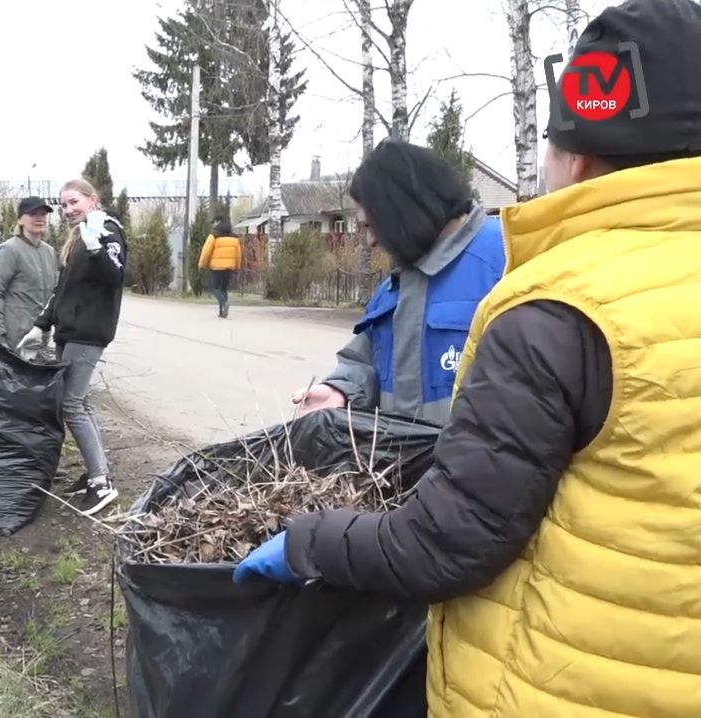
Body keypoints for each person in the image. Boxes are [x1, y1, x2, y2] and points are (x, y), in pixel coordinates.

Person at [235, 2, 701, 716]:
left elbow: (455, 539)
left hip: (549, 655)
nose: (366, 239)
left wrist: (308, 541)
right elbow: (370, 338)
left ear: (576, 153)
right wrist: (342, 387)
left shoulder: (530, 279)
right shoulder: (411, 274)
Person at [292, 139, 506, 425]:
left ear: (402, 209)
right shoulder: (394, 288)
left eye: (370, 225)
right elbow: (363, 360)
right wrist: (340, 390)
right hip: (408, 467)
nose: (370, 241)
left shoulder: (505, 259)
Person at [17, 178, 126, 516]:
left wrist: (96, 248)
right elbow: (63, 290)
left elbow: (116, 276)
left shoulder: (107, 230)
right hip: (69, 330)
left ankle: (101, 483)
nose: (68, 210)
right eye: (64, 205)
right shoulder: (79, 236)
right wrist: (42, 324)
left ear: (92, 200)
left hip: (88, 331)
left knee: (71, 405)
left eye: (74, 202)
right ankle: (99, 471)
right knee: (82, 403)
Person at [0, 196, 59, 350]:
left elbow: (54, 292)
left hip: (40, 335)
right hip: (15, 337)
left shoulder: (49, 251)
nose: (39, 219)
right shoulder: (10, 250)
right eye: (33, 214)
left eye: (43, 214)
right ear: (20, 220)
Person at [197, 217, 242, 318]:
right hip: (229, 267)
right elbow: (238, 254)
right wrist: (237, 267)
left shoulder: (214, 236)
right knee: (223, 289)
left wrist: (201, 264)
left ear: (219, 223)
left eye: (215, 222)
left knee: (214, 288)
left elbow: (206, 252)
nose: (214, 224)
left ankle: (224, 303)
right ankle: (222, 312)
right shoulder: (235, 238)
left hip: (216, 267)